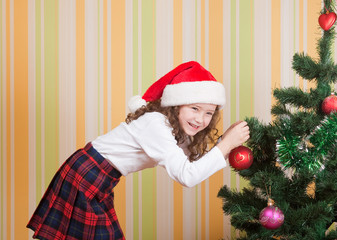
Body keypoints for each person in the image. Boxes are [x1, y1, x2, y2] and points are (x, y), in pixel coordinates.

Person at [27, 61, 250, 240]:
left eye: (209, 113)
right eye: (194, 108)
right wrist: (225, 145)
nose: (201, 119)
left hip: (100, 177)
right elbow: (187, 177)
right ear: (176, 105)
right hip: (86, 173)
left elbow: (190, 165)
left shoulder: (175, 129)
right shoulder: (156, 124)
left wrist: (223, 143)